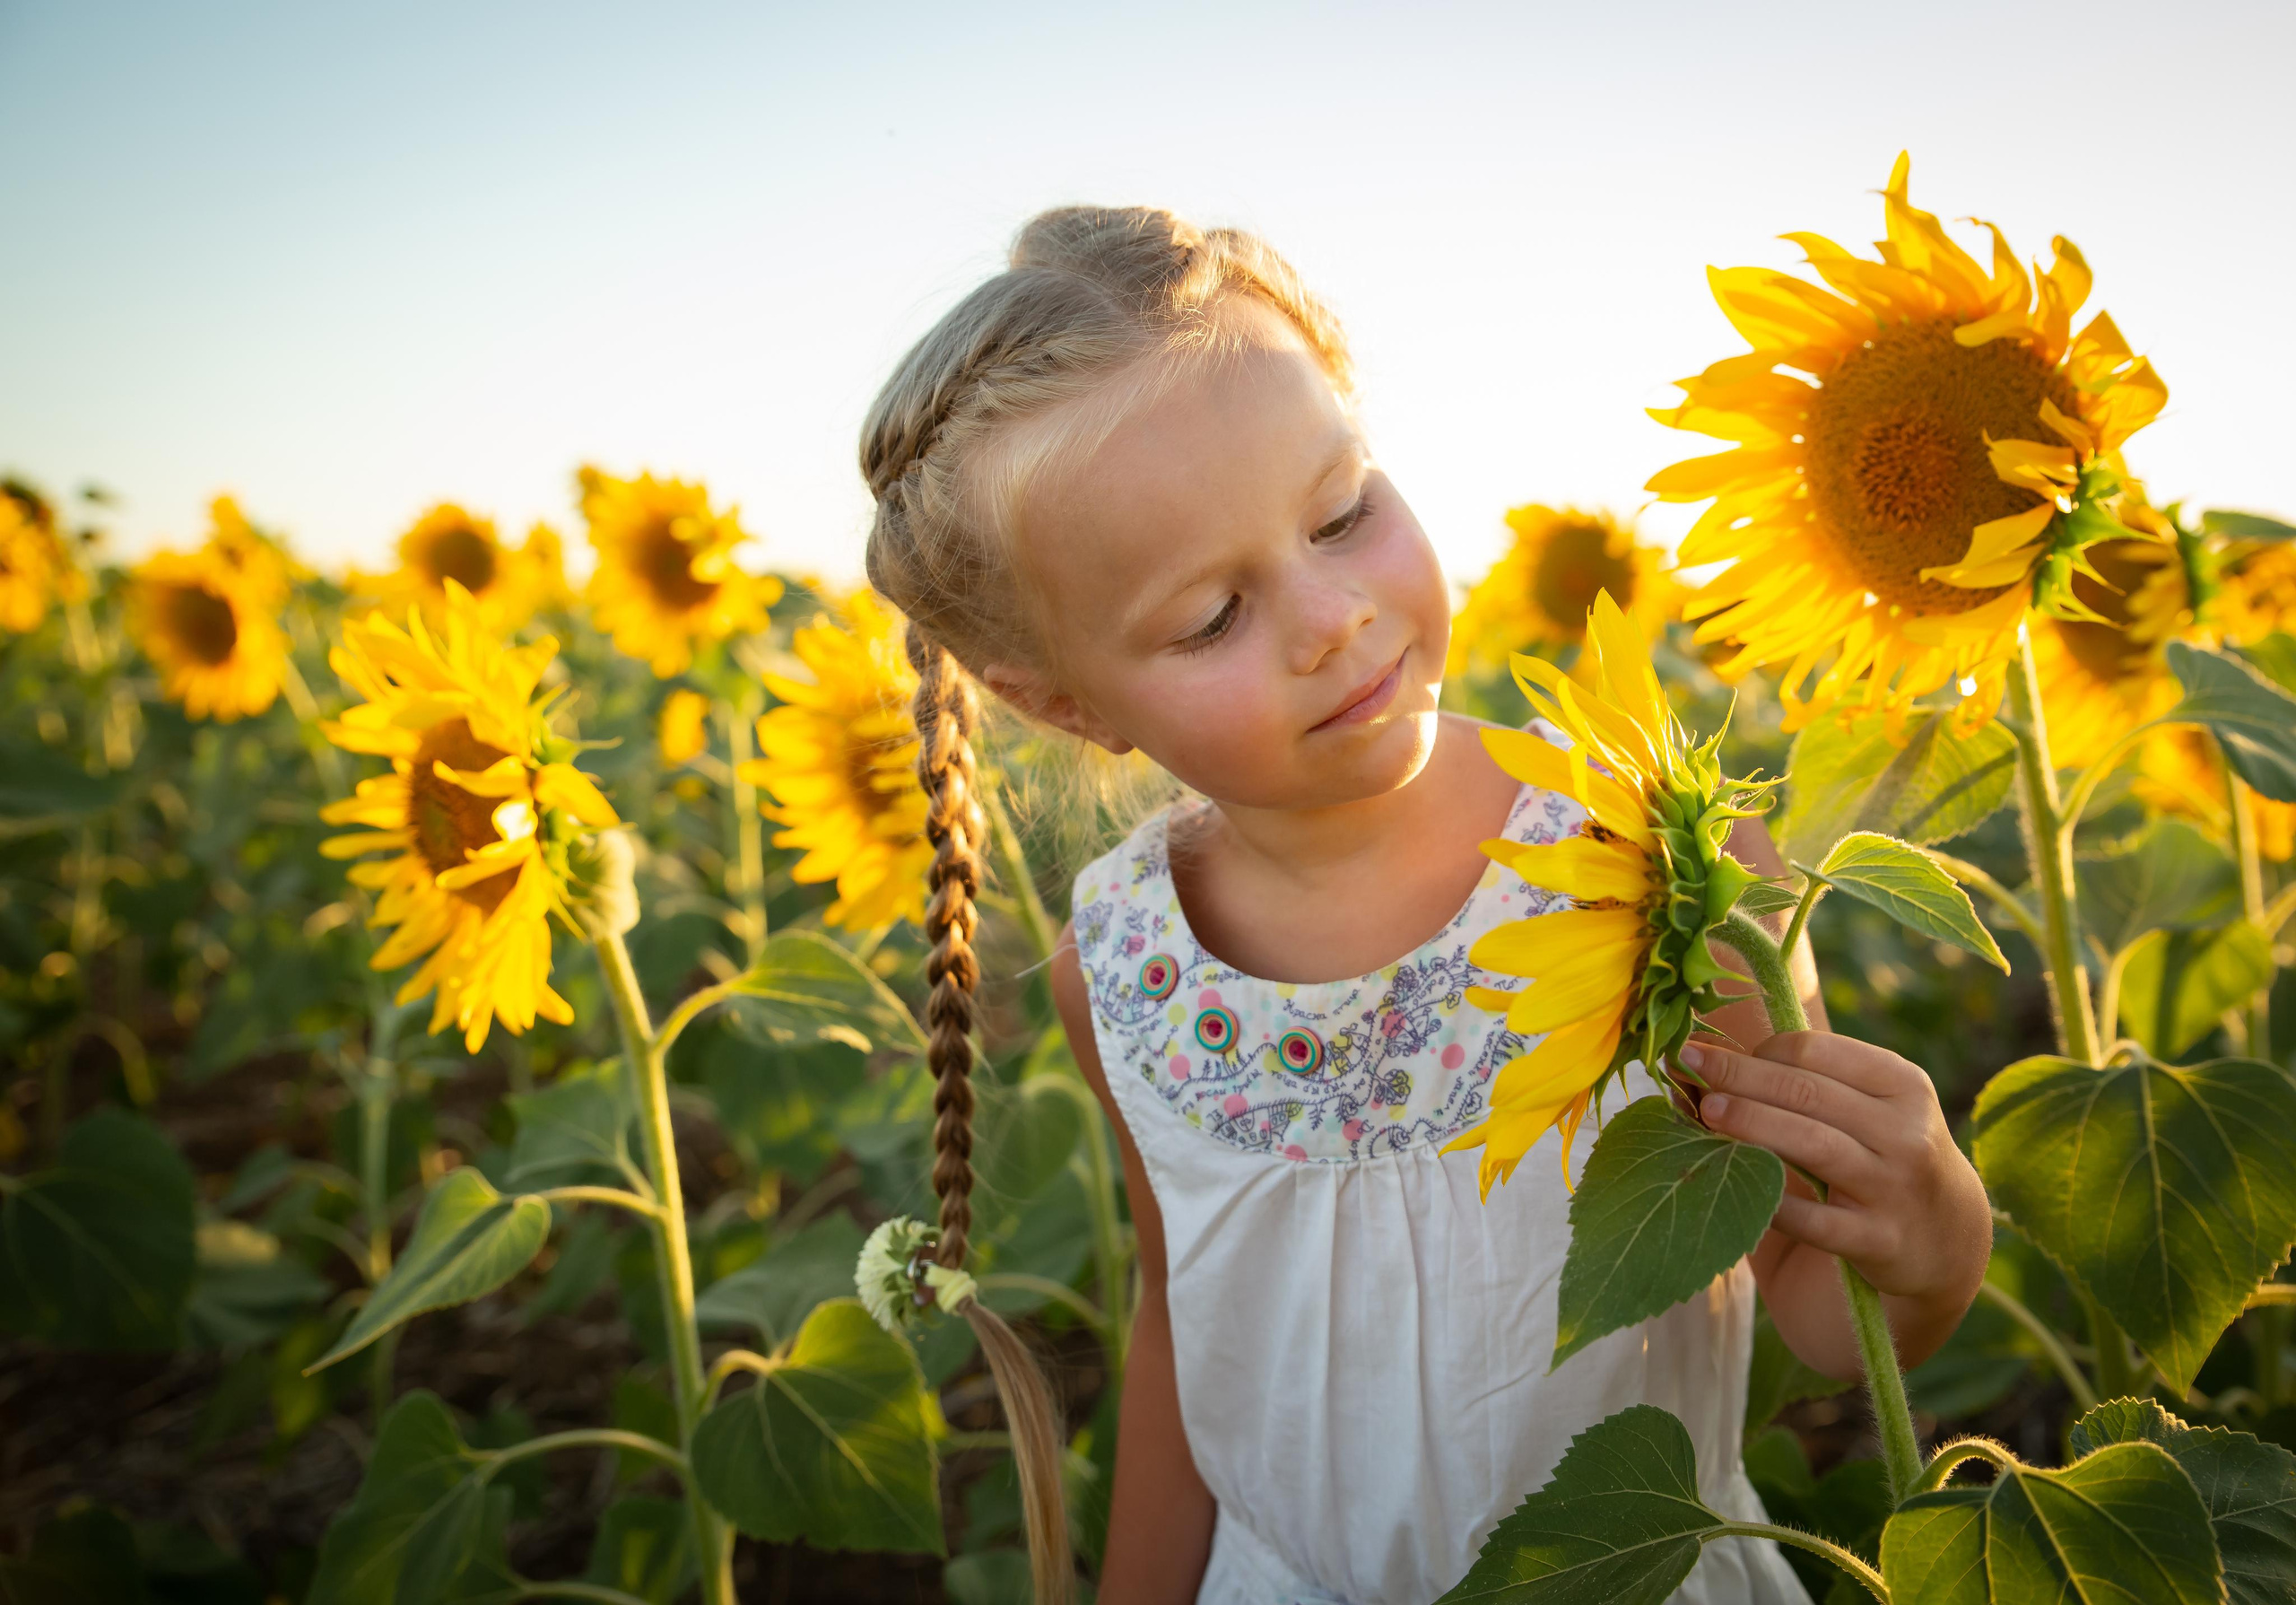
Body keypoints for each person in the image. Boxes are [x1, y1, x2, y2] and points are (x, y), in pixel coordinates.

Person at [860, 205, 1992, 1605]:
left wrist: (1935, 1238)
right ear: (1063, 701)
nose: (1333, 616)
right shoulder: (1127, 965)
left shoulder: (1663, 858)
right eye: (1212, 615)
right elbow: (1185, 1319)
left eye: (1343, 513)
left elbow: (1819, 1309)